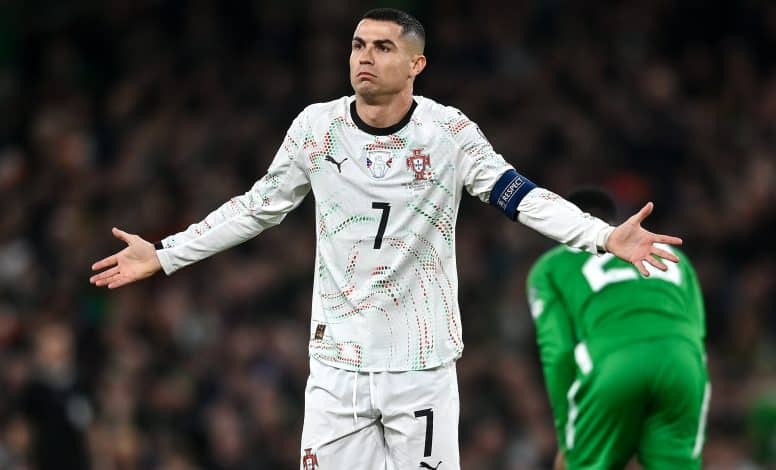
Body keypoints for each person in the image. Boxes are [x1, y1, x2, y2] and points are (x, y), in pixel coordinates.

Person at [90, 9, 682, 469]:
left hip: (420, 366)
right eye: (357, 45)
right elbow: (257, 207)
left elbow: (519, 195)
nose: (364, 57)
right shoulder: (316, 128)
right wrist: (166, 254)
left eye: (382, 47)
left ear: (416, 64)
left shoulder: (448, 133)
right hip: (337, 366)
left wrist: (603, 236)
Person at [526, 188, 709, 469]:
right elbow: (697, 334)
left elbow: (558, 353)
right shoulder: (675, 257)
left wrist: (567, 438)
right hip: (681, 364)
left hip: (611, 364)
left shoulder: (550, 267)